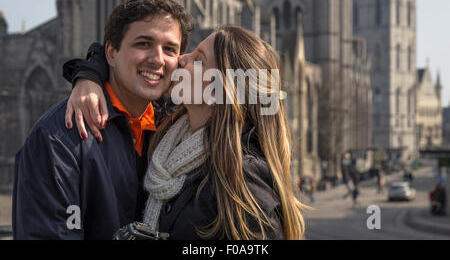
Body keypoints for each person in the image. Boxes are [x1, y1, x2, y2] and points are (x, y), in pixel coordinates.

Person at [64, 25, 308, 239]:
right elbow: (120, 60)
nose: (181, 59)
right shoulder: (164, 134)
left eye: (198, 60)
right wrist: (88, 76)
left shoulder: (244, 179)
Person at [12, 0, 194, 239]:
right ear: (110, 53)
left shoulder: (177, 131)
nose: (157, 59)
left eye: (170, 49)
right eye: (143, 43)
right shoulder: (58, 139)